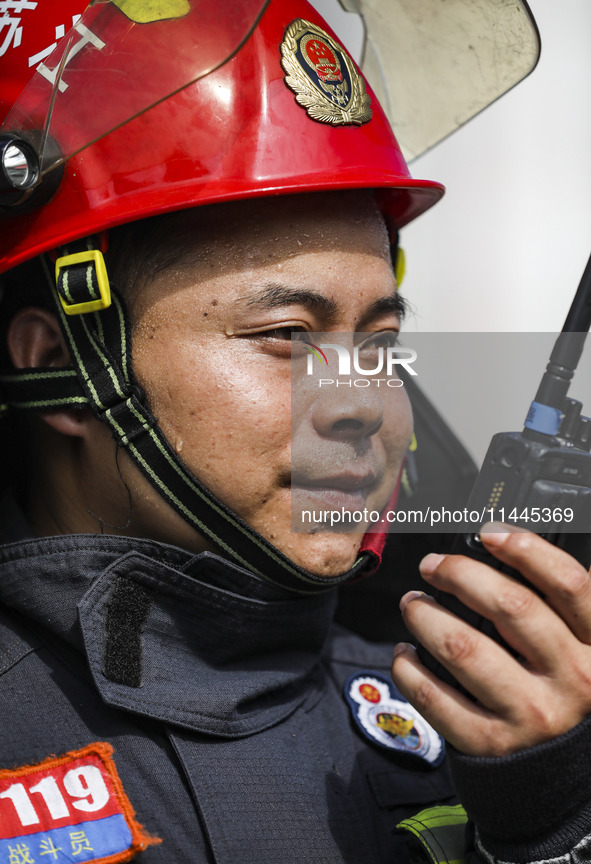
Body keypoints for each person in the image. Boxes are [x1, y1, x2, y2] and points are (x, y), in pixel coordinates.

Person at [0, 2, 590, 863]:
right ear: (61, 362)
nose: (367, 407)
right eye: (286, 336)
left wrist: (554, 829)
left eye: (380, 344)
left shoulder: (483, 717)